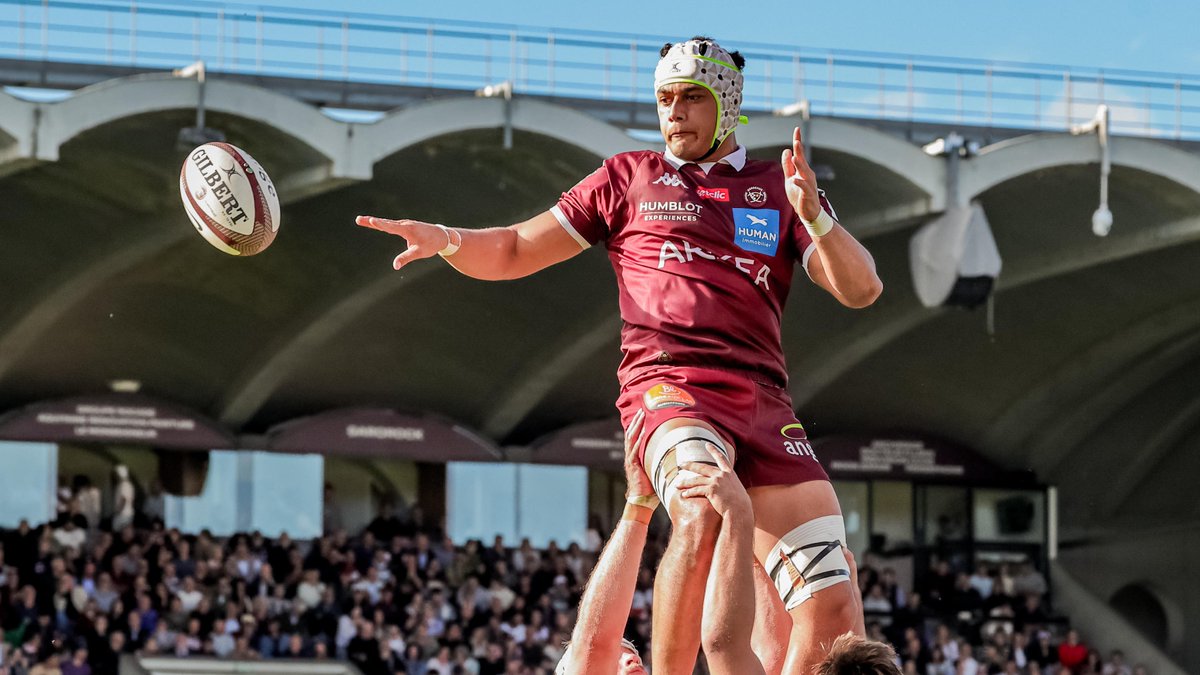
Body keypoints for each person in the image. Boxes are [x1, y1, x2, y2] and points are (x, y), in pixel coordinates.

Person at [357, 35, 881, 674]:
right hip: (670, 391)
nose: (674, 112)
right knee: (698, 509)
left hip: (767, 403)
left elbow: (863, 289)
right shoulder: (627, 177)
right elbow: (519, 247)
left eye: (691, 97)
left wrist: (817, 219)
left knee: (836, 609)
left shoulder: (779, 187)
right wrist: (447, 238)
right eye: (665, 98)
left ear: (728, 103)